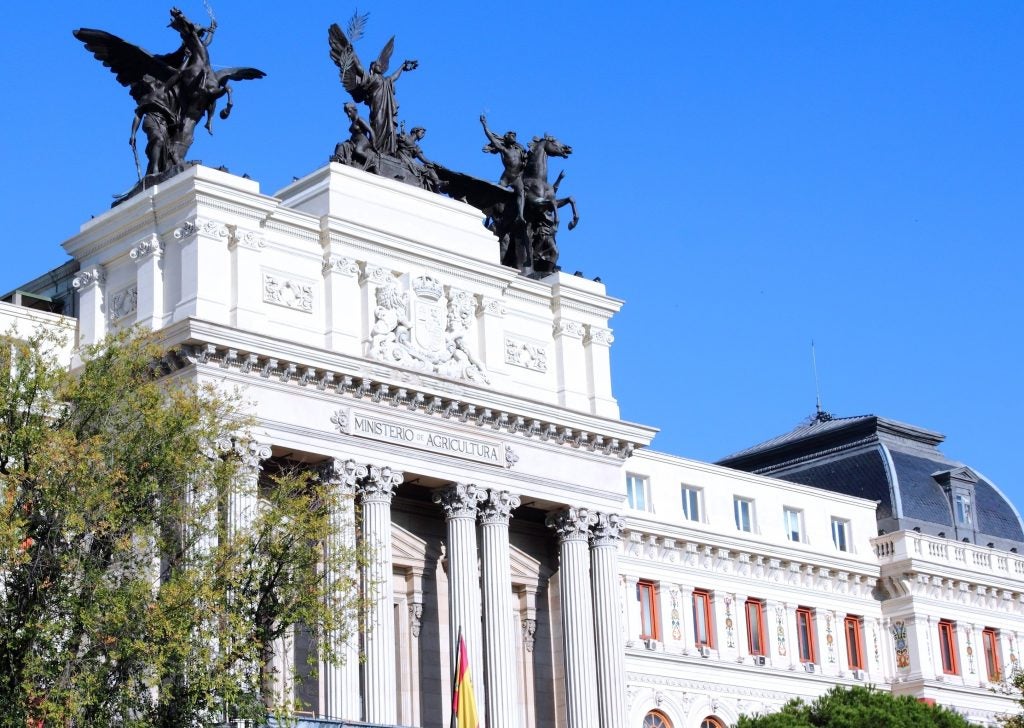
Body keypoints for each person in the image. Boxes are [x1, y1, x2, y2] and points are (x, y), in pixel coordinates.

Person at [129, 75, 180, 177]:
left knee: (165, 147)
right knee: (158, 139)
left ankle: (158, 167)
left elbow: (175, 76)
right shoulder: (145, 98)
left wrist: (183, 67)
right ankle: (155, 169)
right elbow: (138, 116)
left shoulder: (162, 90)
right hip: (150, 120)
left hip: (163, 124)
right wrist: (133, 134)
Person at [480, 114, 527, 222]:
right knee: (496, 193)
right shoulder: (503, 149)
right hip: (506, 177)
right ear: (506, 137)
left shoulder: (520, 150)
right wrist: (484, 124)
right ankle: (488, 213)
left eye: (514, 135)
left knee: (521, 193)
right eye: (511, 135)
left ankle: (520, 215)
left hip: (517, 177)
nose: (514, 136)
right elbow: (491, 137)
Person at [332, 102, 376, 171]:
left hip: (363, 141)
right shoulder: (353, 122)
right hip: (354, 142)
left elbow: (371, 131)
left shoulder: (360, 119)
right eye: (347, 112)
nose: (348, 114)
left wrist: (373, 145)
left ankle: (371, 160)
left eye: (350, 111)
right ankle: (339, 159)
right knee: (342, 145)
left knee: (358, 150)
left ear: (354, 110)